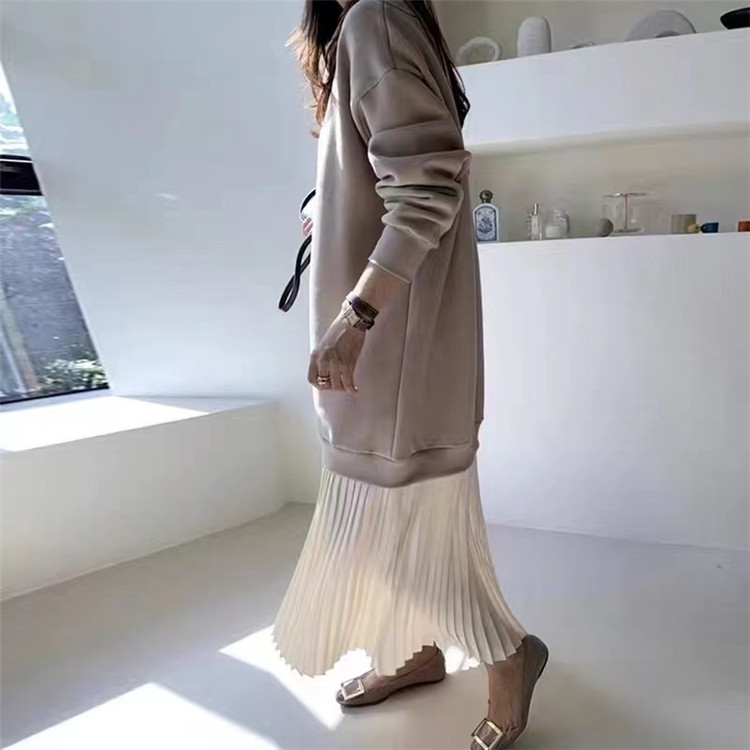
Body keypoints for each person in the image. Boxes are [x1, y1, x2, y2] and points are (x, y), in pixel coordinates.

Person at [273, 2, 548, 747]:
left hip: (393, 346)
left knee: (398, 520)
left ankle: (508, 656)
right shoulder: (370, 24)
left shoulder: (376, 18)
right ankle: (417, 650)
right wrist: (329, 201)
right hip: (392, 344)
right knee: (392, 521)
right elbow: (392, 172)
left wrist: (354, 317)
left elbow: (427, 189)